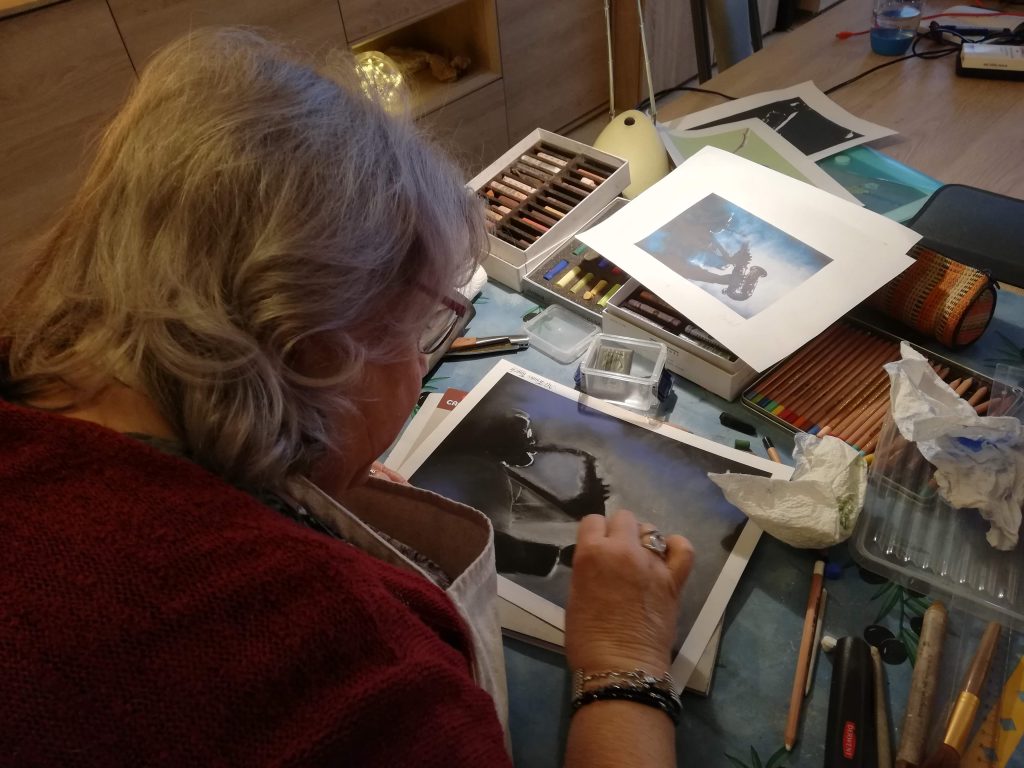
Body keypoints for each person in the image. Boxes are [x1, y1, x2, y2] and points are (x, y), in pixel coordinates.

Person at [0, 28, 694, 767]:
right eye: (424, 325)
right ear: (317, 353)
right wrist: (623, 660)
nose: (426, 356)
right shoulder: (358, 668)